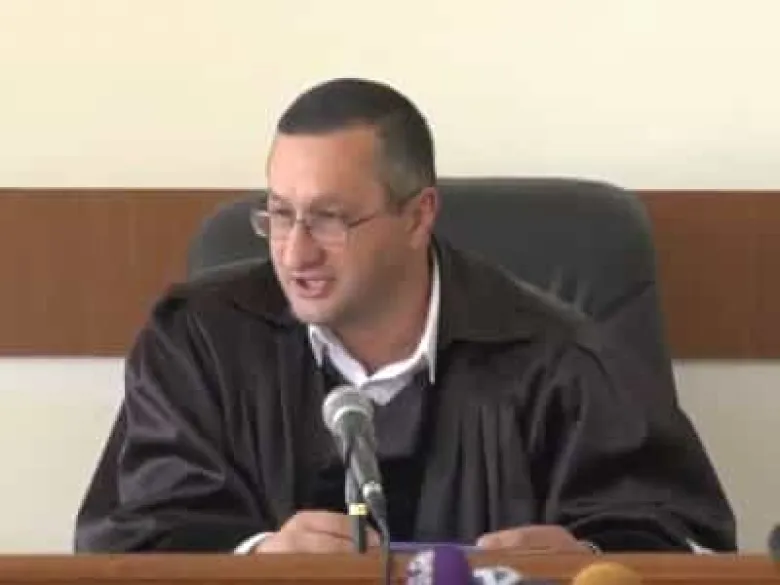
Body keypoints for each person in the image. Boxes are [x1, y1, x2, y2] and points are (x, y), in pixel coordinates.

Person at [74, 77, 736, 554]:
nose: (295, 252)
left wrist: (584, 563)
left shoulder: (563, 360)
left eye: (330, 218)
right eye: (278, 213)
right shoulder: (199, 342)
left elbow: (684, 549)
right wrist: (257, 557)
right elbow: (128, 539)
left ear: (419, 216)